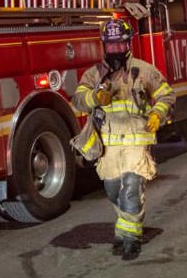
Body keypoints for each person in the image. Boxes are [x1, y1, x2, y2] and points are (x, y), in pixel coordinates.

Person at [72, 19, 175, 261]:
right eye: (111, 45)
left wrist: (157, 114)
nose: (116, 49)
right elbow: (77, 100)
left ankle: (131, 239)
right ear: (104, 46)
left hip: (136, 143)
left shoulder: (144, 70)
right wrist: (96, 97)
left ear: (128, 44)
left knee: (131, 189)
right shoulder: (93, 74)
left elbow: (166, 96)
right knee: (112, 190)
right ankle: (125, 226)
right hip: (108, 145)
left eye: (120, 44)